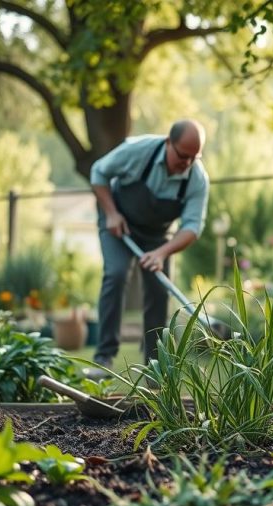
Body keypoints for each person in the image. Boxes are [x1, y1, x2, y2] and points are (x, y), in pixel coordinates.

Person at [88, 119, 209, 375]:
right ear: (168, 143)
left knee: (158, 290)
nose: (187, 163)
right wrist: (110, 213)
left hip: (158, 236)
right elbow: (99, 172)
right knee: (117, 274)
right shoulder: (137, 151)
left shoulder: (197, 178)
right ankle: (104, 358)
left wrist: (162, 252)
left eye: (194, 158)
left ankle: (154, 367)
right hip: (119, 225)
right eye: (182, 155)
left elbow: (192, 227)